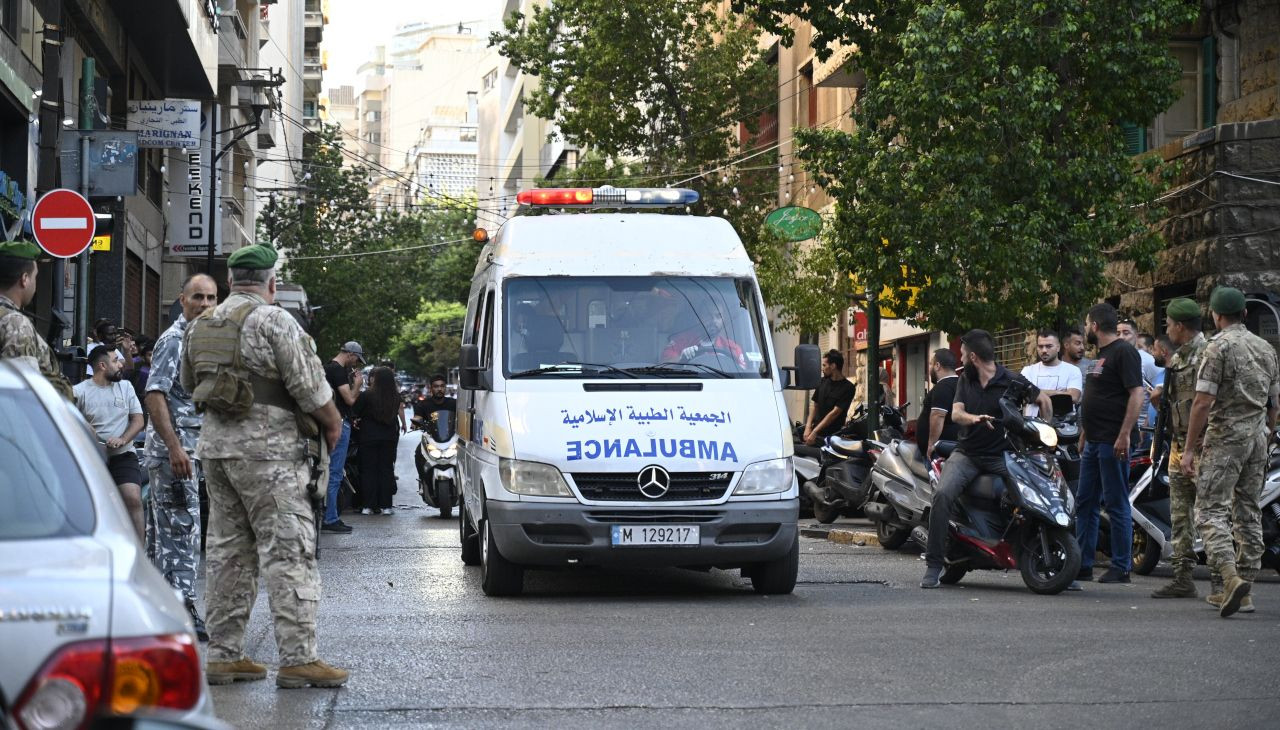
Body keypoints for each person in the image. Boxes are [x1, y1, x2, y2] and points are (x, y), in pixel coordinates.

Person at [181, 242, 347, 688]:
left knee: (227, 554)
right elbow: (311, 389)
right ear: (271, 283)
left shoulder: (200, 325)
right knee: (288, 551)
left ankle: (223, 654)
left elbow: (186, 381)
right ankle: (297, 659)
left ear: (231, 282)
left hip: (216, 452)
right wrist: (332, 427)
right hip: (269, 456)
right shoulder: (274, 320)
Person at [921, 330, 1049, 589]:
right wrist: (974, 419)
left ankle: (1049, 560)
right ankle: (934, 565)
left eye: (962, 354)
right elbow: (956, 415)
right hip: (968, 453)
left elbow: (1043, 400)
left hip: (1005, 455)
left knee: (1037, 493)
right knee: (943, 495)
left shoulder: (1013, 380)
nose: (960, 358)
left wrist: (1045, 430)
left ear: (974, 357)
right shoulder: (964, 381)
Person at [1181, 286, 1280, 618]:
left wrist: (1190, 449)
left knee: (1209, 511)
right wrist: (1266, 430)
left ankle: (1229, 578)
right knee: (1248, 510)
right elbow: (1274, 403)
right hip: (1257, 438)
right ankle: (1246, 590)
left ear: (1215, 315)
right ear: (1246, 314)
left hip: (1225, 438)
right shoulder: (1266, 348)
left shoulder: (1217, 348)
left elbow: (1203, 402)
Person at [143, 273, 218, 641]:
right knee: (182, 532)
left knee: (165, 534)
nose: (205, 304)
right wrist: (174, 447)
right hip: (176, 456)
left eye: (211, 298)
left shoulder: (197, 339)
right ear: (182, 299)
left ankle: (161, 611)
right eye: (198, 297)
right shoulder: (174, 340)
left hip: (189, 451)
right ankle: (183, 610)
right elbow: (154, 395)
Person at [1075, 303, 1145, 585]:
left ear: (1094, 325)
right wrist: (1084, 433)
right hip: (1094, 440)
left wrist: (1125, 434)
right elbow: (1096, 396)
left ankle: (1121, 566)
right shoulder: (1099, 356)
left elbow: (1137, 394)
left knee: (1116, 503)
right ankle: (1083, 563)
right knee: (1085, 502)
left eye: (1085, 323)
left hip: (1113, 441)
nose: (1084, 328)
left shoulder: (1124, 352)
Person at [1148, 298, 1212, 601]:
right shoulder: (1177, 359)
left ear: (1180, 326)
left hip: (1201, 447)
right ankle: (1183, 578)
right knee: (1180, 515)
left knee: (1211, 516)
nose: (1167, 330)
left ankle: (1224, 582)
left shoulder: (1208, 354)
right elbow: (1176, 403)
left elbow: (1210, 402)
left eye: (1170, 325)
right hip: (1177, 444)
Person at [75, 345, 146, 539]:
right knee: (90, 506)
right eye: (115, 361)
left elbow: (138, 420)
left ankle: (140, 556)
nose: (120, 364)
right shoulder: (79, 392)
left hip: (123, 455)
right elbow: (69, 422)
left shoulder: (126, 387)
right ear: (102, 366)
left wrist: (123, 439)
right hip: (92, 459)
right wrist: (89, 434)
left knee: (133, 499)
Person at [0, 240, 73, 399]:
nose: (35, 285)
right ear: (24, 279)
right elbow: (23, 393)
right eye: (35, 277)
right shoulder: (15, 324)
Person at [321, 342, 366, 534]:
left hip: (329, 422)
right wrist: (357, 385)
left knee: (326, 470)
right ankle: (330, 517)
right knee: (335, 472)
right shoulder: (338, 371)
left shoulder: (325, 368)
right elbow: (350, 399)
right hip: (339, 423)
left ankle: (326, 514)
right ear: (350, 354)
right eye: (356, 359)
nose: (356, 363)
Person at [354, 367, 401, 515]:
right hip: (389, 438)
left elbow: (356, 411)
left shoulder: (367, 395)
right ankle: (386, 506)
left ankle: (368, 505)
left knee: (369, 470)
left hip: (368, 437)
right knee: (386, 470)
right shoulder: (396, 397)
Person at [1020, 330, 1082, 418]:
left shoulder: (1073, 370)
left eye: (1049, 346)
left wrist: (1036, 393)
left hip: (1064, 426)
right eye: (1040, 346)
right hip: (1034, 425)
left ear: (1058, 347)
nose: (1044, 350)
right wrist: (1060, 392)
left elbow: (1073, 397)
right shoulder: (1028, 371)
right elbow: (1024, 394)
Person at [661, 306, 746, 368]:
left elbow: (743, 376)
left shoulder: (732, 348)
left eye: (718, 316)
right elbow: (662, 366)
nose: (713, 320)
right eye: (708, 316)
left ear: (723, 320)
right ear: (698, 318)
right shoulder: (681, 341)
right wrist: (681, 358)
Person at [804, 350, 855, 446]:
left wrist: (814, 431)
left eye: (824, 365)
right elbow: (815, 405)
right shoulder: (822, 381)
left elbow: (834, 413)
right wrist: (808, 427)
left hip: (832, 438)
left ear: (833, 366)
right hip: (814, 434)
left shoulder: (848, 388)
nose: (822, 368)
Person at [916, 348, 960, 458]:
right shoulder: (961, 384)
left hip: (939, 453)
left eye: (931, 364)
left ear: (937, 365)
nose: (929, 367)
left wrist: (931, 446)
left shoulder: (943, 387)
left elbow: (938, 415)